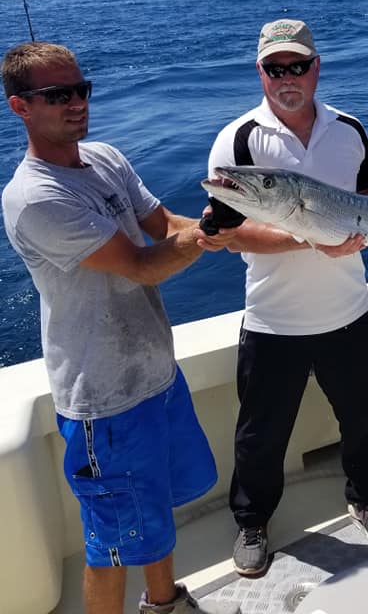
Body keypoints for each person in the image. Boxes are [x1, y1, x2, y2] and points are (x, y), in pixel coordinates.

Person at [198, 18, 368, 577]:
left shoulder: (349, 129)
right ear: (260, 72)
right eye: (275, 68)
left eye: (297, 66)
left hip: (349, 312)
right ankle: (253, 522)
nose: (287, 77)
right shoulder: (238, 141)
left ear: (315, 67)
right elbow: (225, 233)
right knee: (260, 433)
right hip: (273, 321)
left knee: (362, 422)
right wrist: (310, 239)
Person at [1, 41, 230, 614]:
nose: (76, 103)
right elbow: (142, 264)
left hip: (156, 375)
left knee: (151, 520)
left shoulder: (103, 157)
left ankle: (165, 603)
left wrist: (248, 225)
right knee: (111, 546)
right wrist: (214, 230)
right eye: (57, 95)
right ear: (19, 107)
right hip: (104, 402)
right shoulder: (35, 198)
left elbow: (166, 226)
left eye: (81, 89)